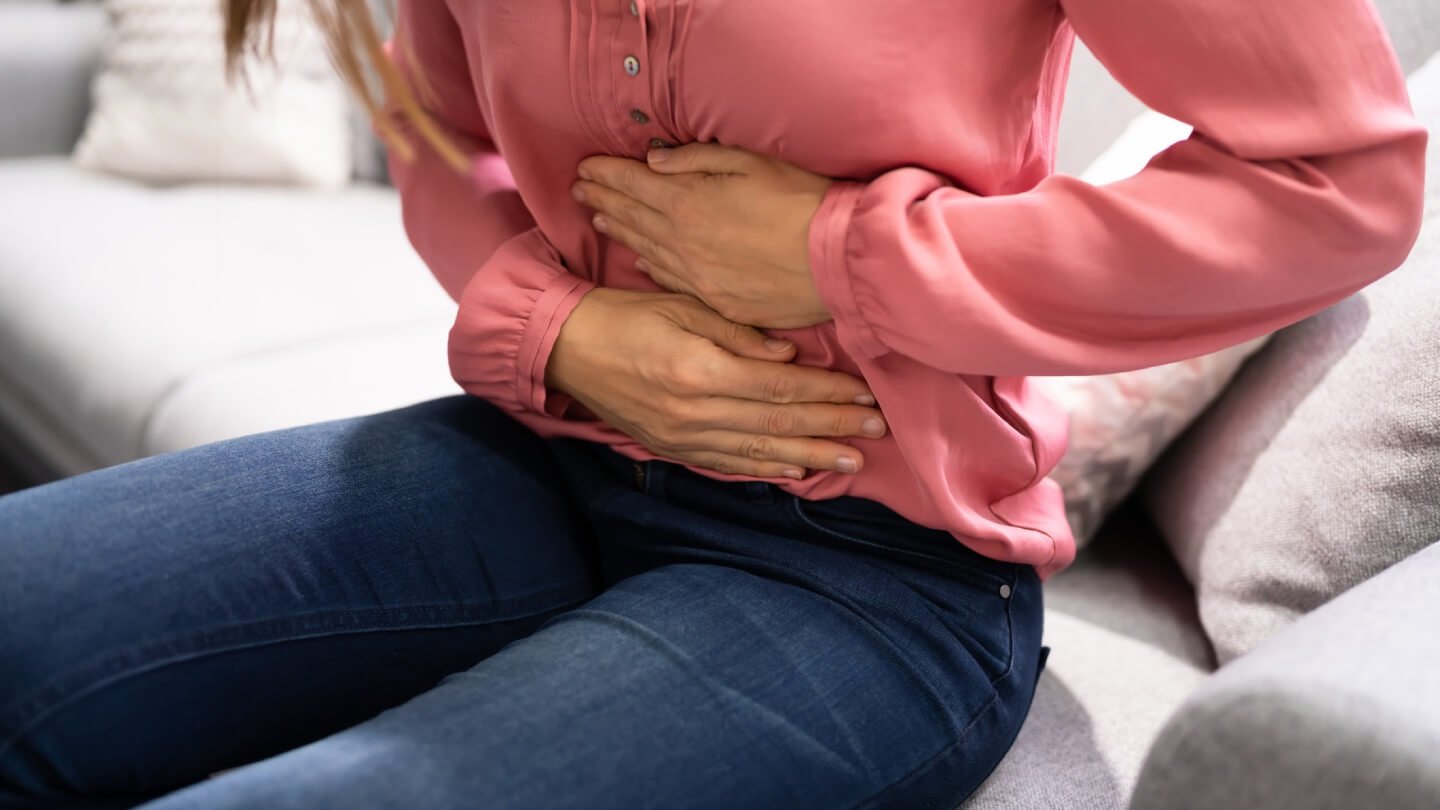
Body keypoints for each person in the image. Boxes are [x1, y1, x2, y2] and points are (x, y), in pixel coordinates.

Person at [0, 0, 1425, 807]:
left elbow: (1340, 181)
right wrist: (561, 325)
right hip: (537, 461)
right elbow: (438, 129)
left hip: (868, 580)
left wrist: (849, 259)